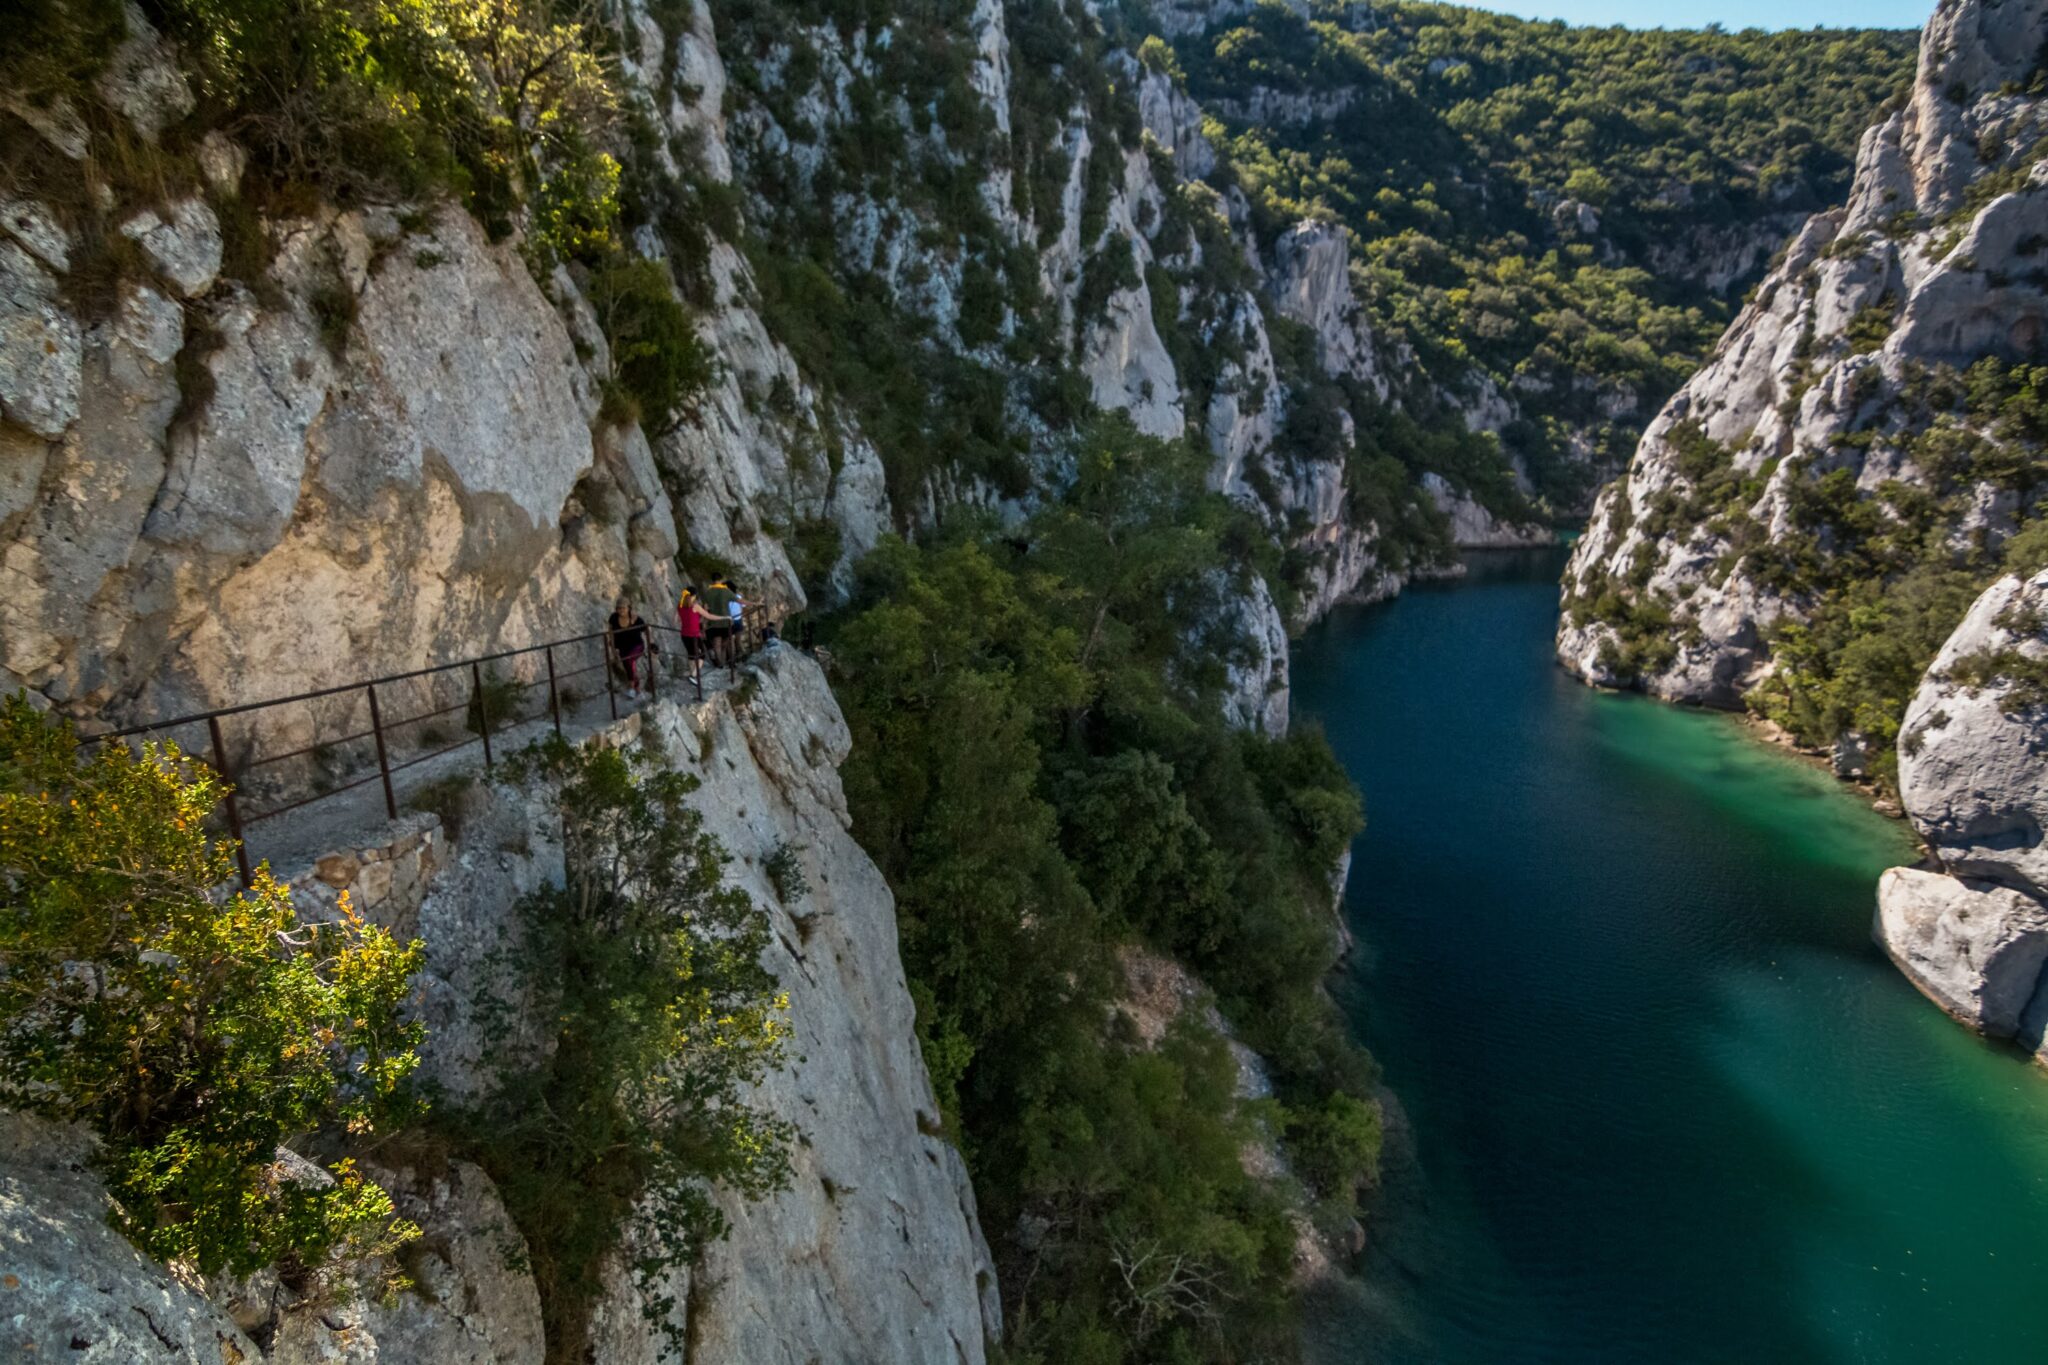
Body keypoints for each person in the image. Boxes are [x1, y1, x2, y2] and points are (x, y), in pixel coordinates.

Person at [608, 593, 651, 700]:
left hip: (637, 646)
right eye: (619, 608)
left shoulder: (636, 619)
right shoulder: (613, 618)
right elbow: (610, 633)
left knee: (629, 660)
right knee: (628, 666)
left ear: (629, 608)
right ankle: (637, 689)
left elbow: (646, 630)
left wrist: (651, 644)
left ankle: (632, 688)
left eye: (623, 608)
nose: (621, 610)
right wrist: (613, 649)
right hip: (622, 647)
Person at [699, 578, 736, 667]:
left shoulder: (710, 598)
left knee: (718, 645)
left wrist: (703, 626)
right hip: (724, 624)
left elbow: (705, 612)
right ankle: (728, 662)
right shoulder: (723, 597)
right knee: (724, 644)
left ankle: (721, 663)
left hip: (715, 624)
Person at [677, 585, 707, 688]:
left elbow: (676, 620)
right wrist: (704, 612)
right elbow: (700, 620)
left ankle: (691, 673)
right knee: (702, 654)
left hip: (684, 634)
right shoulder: (695, 606)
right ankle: (693, 676)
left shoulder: (680, 605)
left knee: (691, 654)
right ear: (694, 595)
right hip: (694, 634)